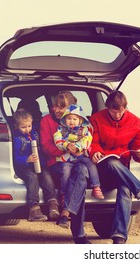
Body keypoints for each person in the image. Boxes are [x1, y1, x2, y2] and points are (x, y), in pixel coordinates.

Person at [89, 90, 140, 244]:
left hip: (122, 171)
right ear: (108, 108)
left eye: (120, 112)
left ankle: (119, 237)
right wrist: (94, 152)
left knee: (125, 187)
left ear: (125, 108)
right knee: (112, 162)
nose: (117, 115)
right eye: (113, 112)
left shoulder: (136, 123)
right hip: (101, 169)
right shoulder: (96, 119)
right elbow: (92, 142)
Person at [40, 91, 91, 244]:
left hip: (77, 162)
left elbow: (88, 141)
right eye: (55, 106)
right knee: (77, 180)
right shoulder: (46, 121)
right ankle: (79, 235)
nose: (56, 110)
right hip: (56, 163)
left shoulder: (80, 123)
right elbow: (46, 147)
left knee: (81, 173)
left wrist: (81, 148)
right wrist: (66, 148)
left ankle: (65, 213)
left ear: (72, 109)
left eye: (61, 108)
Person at [53, 104, 104, 229]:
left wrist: (79, 147)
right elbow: (57, 139)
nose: (71, 121)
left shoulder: (84, 130)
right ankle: (64, 194)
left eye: (75, 119)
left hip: (80, 156)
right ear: (65, 119)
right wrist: (66, 145)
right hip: (67, 157)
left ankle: (96, 186)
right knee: (65, 171)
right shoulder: (61, 129)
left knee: (91, 165)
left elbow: (88, 140)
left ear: (80, 120)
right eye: (69, 118)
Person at [12, 110, 60, 222]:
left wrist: (43, 164)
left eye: (29, 125)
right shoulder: (17, 139)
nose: (27, 129)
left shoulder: (35, 134)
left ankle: (53, 204)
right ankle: (34, 209)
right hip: (24, 167)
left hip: (39, 165)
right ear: (16, 126)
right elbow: (15, 157)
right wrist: (26, 160)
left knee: (46, 176)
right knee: (32, 177)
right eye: (23, 127)